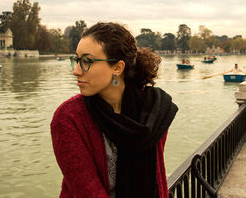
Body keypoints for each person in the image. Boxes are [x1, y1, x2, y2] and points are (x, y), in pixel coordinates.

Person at [51, 22, 178, 198]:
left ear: (117, 68)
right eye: (77, 60)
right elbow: (87, 191)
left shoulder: (154, 111)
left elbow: (155, 176)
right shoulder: (68, 119)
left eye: (87, 61)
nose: (77, 71)